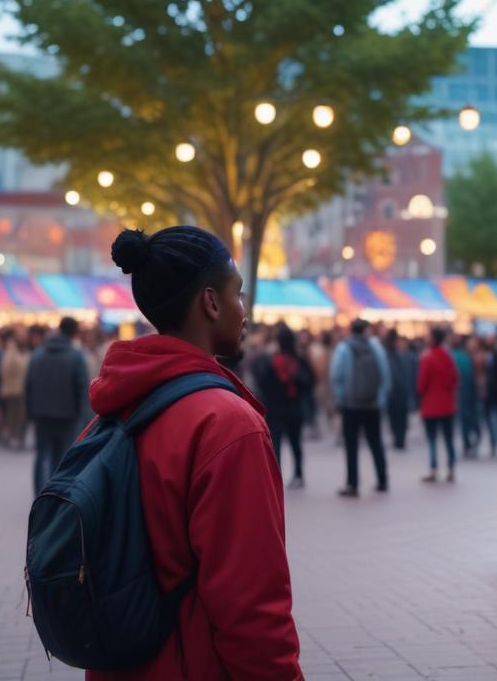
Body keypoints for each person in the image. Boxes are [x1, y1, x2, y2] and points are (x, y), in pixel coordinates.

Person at [84, 226, 299, 679]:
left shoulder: (113, 410)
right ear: (211, 302)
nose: (244, 311)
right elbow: (251, 607)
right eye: (237, 294)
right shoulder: (226, 425)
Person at [25, 317, 90, 495]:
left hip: (41, 414)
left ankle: (39, 494)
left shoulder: (38, 354)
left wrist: (31, 411)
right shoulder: (76, 356)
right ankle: (55, 495)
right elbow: (82, 387)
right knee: (61, 458)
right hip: (67, 416)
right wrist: (82, 416)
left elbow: (29, 384)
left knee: (41, 456)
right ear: (74, 333)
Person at [329, 319, 391, 497]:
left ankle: (352, 483)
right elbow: (385, 373)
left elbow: (336, 375)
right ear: (365, 330)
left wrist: (339, 399)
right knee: (375, 442)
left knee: (351, 445)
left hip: (350, 405)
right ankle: (382, 479)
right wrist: (381, 398)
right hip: (372, 404)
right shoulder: (376, 347)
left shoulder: (343, 348)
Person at [253, 324, 307, 489]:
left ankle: (275, 475)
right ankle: (298, 473)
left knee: (275, 443)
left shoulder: (272, 361)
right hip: (295, 408)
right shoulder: (299, 360)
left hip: (276, 409)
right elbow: (309, 381)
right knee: (296, 443)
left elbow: (263, 383)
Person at [416, 326, 459, 483]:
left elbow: (421, 384)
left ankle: (434, 469)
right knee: (448, 438)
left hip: (431, 406)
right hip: (447, 405)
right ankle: (451, 468)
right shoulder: (448, 357)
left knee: (432, 439)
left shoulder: (427, 358)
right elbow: (454, 379)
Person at [381, 329, 412, 451]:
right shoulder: (394, 355)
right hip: (397, 391)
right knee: (398, 417)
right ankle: (399, 439)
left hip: (396, 392)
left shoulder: (393, 355)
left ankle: (399, 439)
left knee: (397, 417)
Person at [0, 330, 28, 450]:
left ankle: (16, 438)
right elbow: (4, 371)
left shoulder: (22, 353)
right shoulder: (11, 353)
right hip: (12, 391)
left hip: (20, 390)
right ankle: (12, 437)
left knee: (20, 416)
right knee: (12, 416)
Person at [450, 336, 479, 457]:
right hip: (466, 391)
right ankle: (470, 442)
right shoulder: (464, 357)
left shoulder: (455, 356)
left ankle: (468, 443)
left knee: (465, 419)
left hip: (462, 392)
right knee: (467, 419)